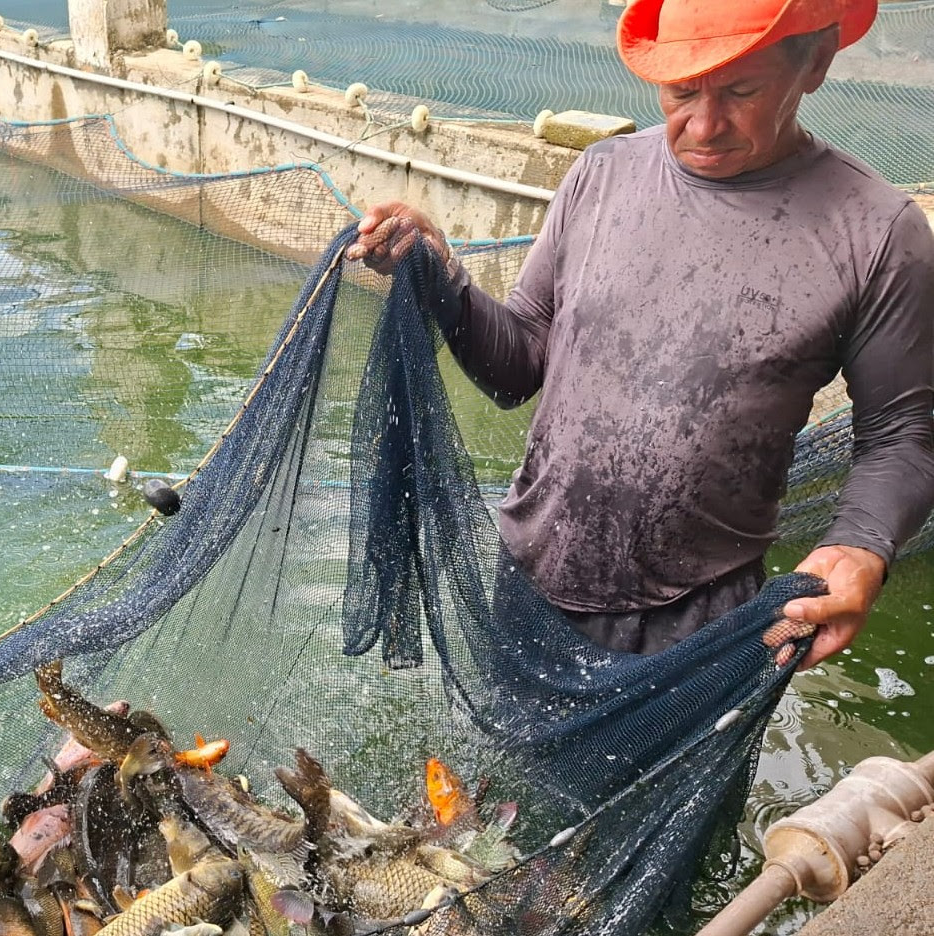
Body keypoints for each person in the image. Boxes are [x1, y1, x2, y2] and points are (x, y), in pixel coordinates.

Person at [346, 0, 934, 665]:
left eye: (741, 91)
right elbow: (519, 366)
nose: (704, 125)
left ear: (816, 61)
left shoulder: (877, 233)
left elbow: (899, 438)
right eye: (682, 91)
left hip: (700, 620)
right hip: (529, 577)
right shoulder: (602, 175)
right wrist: (442, 275)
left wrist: (860, 547)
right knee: (496, 771)